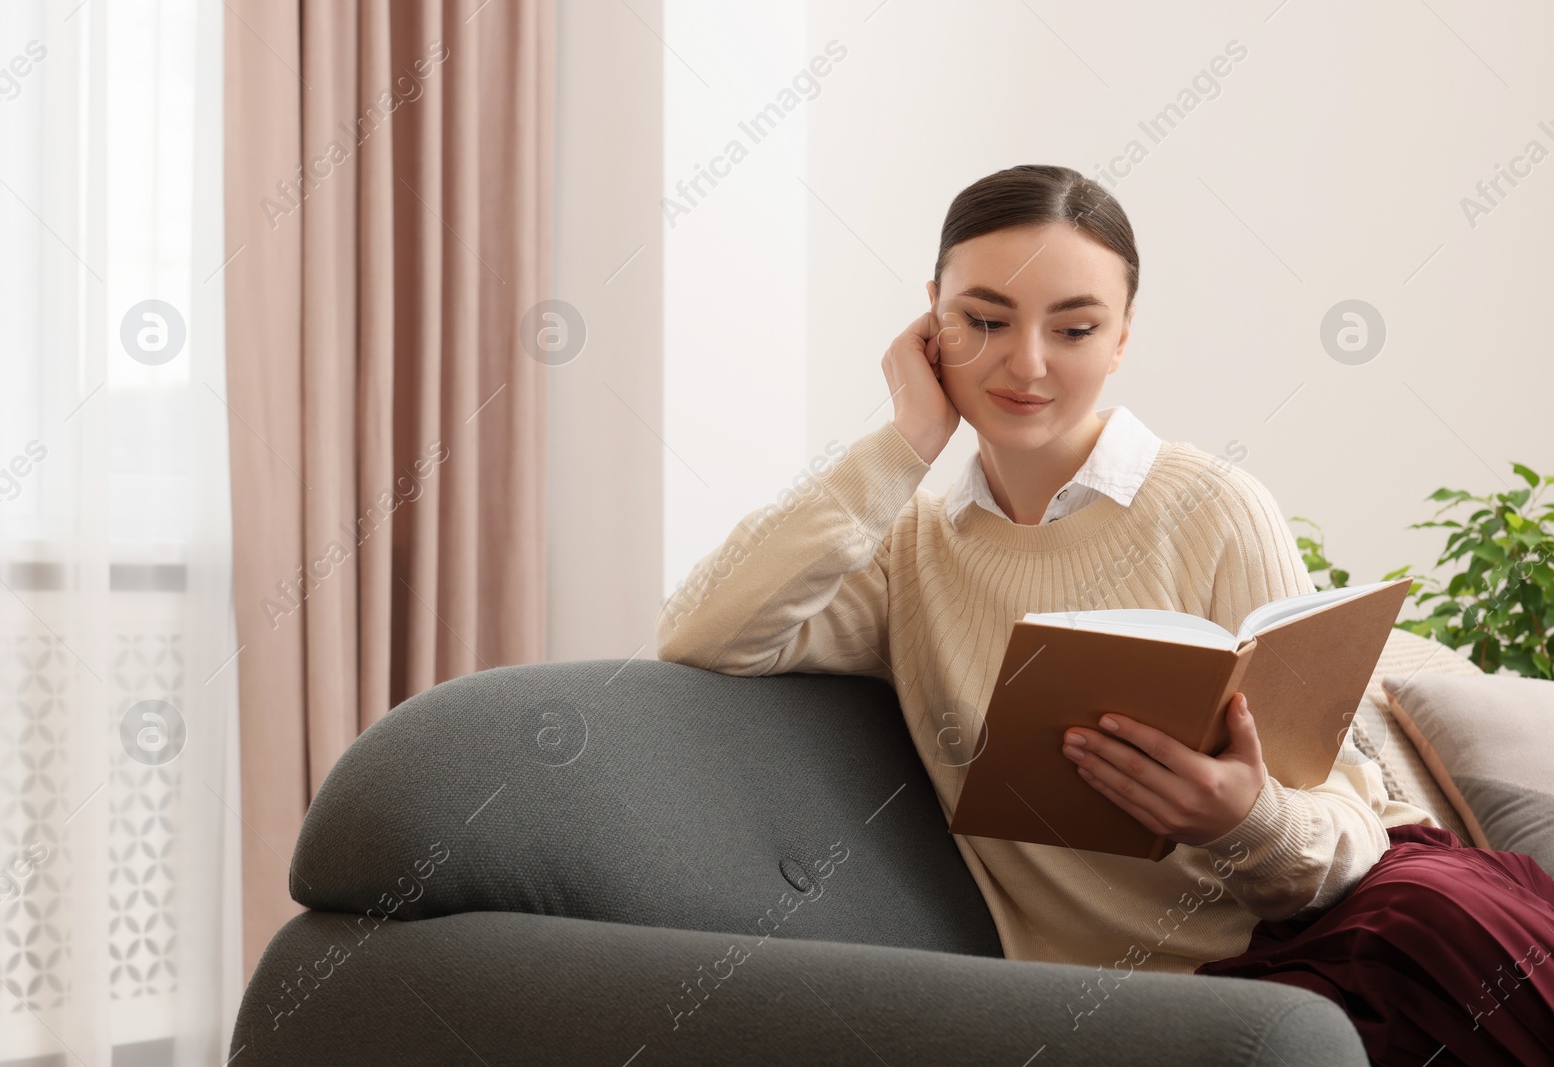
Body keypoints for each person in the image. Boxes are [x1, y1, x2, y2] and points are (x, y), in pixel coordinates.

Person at [654, 164, 1554, 1065]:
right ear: (929, 322)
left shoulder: (1214, 507)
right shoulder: (907, 547)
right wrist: (905, 439)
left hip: (1353, 916)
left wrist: (1243, 818)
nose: (1028, 364)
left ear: (1122, 337)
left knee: (1442, 948)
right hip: (1165, 999)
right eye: (984, 321)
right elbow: (701, 629)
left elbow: (1347, 817)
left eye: (1076, 327)